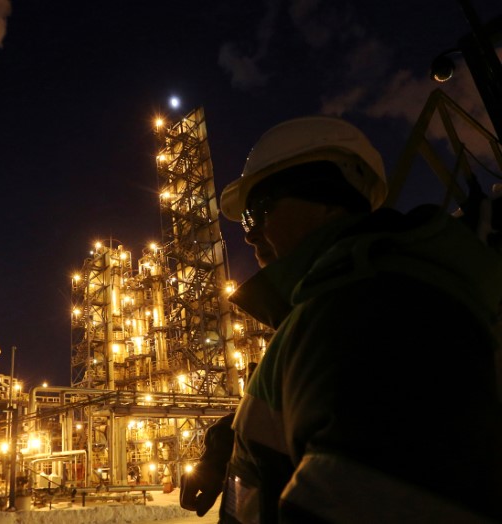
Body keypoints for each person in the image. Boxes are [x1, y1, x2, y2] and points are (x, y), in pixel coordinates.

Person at [179, 115, 502, 523]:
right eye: (245, 220)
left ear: (328, 201)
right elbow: (323, 400)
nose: (248, 234)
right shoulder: (328, 311)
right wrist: (231, 441)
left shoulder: (377, 310)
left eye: (258, 212)